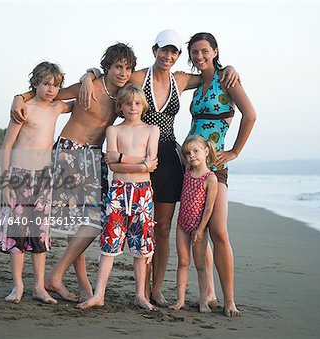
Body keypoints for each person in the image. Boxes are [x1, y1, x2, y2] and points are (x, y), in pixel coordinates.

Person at [80, 29, 239, 307]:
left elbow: (210, 73)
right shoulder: (139, 77)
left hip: (167, 156)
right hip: (136, 159)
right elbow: (111, 77)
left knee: (162, 227)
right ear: (155, 50)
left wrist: (230, 68)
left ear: (178, 56)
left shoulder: (181, 80)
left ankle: (155, 290)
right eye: (163, 50)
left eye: (174, 52)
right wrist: (88, 74)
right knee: (136, 223)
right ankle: (131, 287)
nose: (168, 56)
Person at [10, 43, 157, 303]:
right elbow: (49, 93)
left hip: (94, 156)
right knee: (77, 221)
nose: (123, 72)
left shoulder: (123, 95)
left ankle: (59, 277)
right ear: (107, 67)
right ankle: (76, 283)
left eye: (127, 68)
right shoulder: (89, 86)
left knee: (92, 221)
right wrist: (18, 97)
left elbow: (154, 77)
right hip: (69, 151)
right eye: (118, 67)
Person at [186, 32, 257, 316]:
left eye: (204, 50)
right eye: (194, 52)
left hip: (215, 167)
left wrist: (236, 151)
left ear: (215, 51)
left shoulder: (227, 79)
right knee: (197, 232)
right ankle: (208, 294)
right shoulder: (196, 84)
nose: (199, 56)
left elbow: (250, 115)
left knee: (218, 231)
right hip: (191, 164)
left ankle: (229, 300)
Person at [0, 61, 72, 304]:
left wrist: (90, 75)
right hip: (18, 176)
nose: (50, 89)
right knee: (16, 234)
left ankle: (39, 286)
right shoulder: (24, 109)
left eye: (56, 85)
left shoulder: (57, 107)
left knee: (39, 234)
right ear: (35, 83)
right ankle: (18, 286)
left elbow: (80, 97)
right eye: (46, 83)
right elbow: (6, 146)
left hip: (44, 178)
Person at [77, 84, 160, 311]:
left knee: (141, 245)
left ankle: (140, 295)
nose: (132, 107)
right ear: (120, 107)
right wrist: (140, 162)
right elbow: (112, 164)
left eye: (136, 103)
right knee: (110, 242)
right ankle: (98, 294)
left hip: (142, 192)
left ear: (143, 105)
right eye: (127, 103)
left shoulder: (152, 130)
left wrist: (124, 157)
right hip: (118, 190)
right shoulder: (113, 130)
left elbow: (151, 165)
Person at [169, 136, 218, 313]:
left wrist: (200, 229)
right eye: (188, 153)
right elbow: (179, 150)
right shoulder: (188, 170)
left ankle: (203, 301)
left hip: (198, 227)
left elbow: (209, 208)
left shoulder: (210, 178)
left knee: (200, 265)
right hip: (182, 224)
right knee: (183, 262)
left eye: (196, 151)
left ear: (206, 152)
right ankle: (180, 300)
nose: (191, 156)